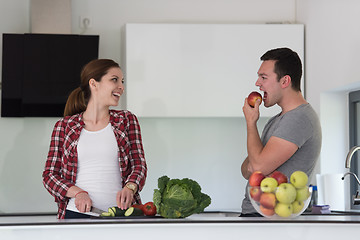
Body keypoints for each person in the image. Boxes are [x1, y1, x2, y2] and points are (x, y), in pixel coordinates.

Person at [42, 59, 147, 219]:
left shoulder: (126, 120)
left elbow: (139, 164)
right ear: (94, 83)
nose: (121, 87)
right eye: (114, 80)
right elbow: (50, 175)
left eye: (122, 81)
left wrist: (130, 187)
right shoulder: (64, 126)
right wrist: (78, 193)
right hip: (78, 215)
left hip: (122, 214)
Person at [240, 47, 321, 216]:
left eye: (263, 77)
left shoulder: (299, 119)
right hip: (259, 216)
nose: (257, 83)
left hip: (273, 219)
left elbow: (257, 166)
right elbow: (245, 170)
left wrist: (250, 123)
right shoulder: (277, 120)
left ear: (284, 81)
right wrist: (257, 163)